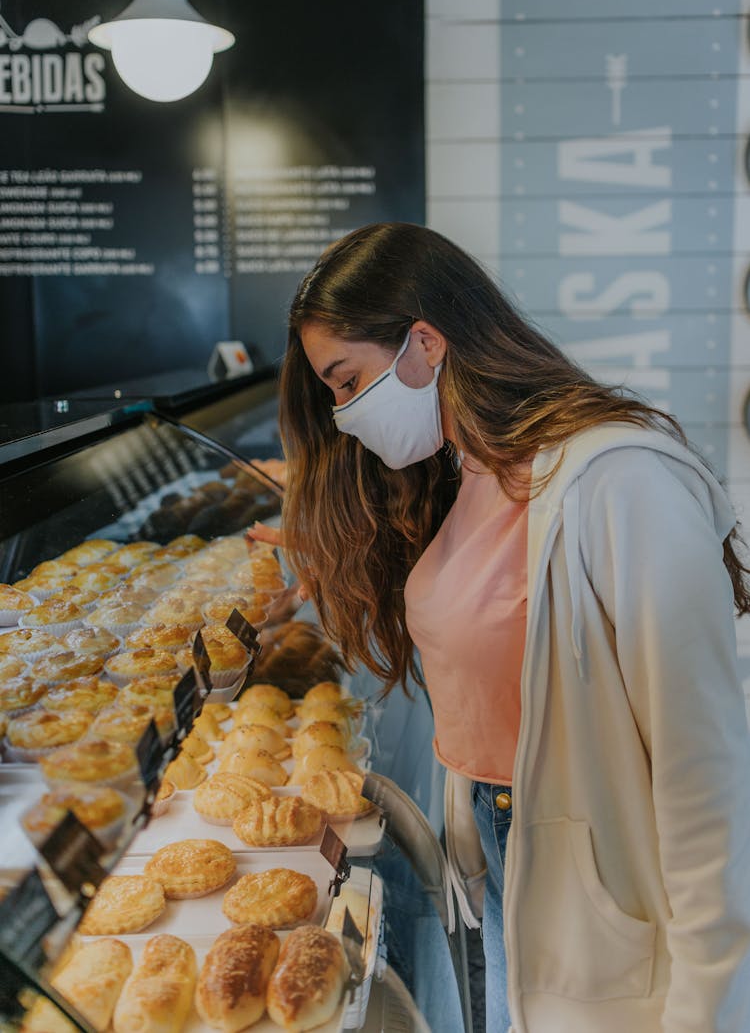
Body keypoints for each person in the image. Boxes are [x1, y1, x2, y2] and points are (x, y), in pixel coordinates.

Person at [252, 221, 750, 1033]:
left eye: (347, 382)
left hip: (591, 873)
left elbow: (705, 775)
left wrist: (711, 1006)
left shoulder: (619, 478)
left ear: (424, 342)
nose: (343, 414)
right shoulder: (472, 466)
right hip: (499, 846)